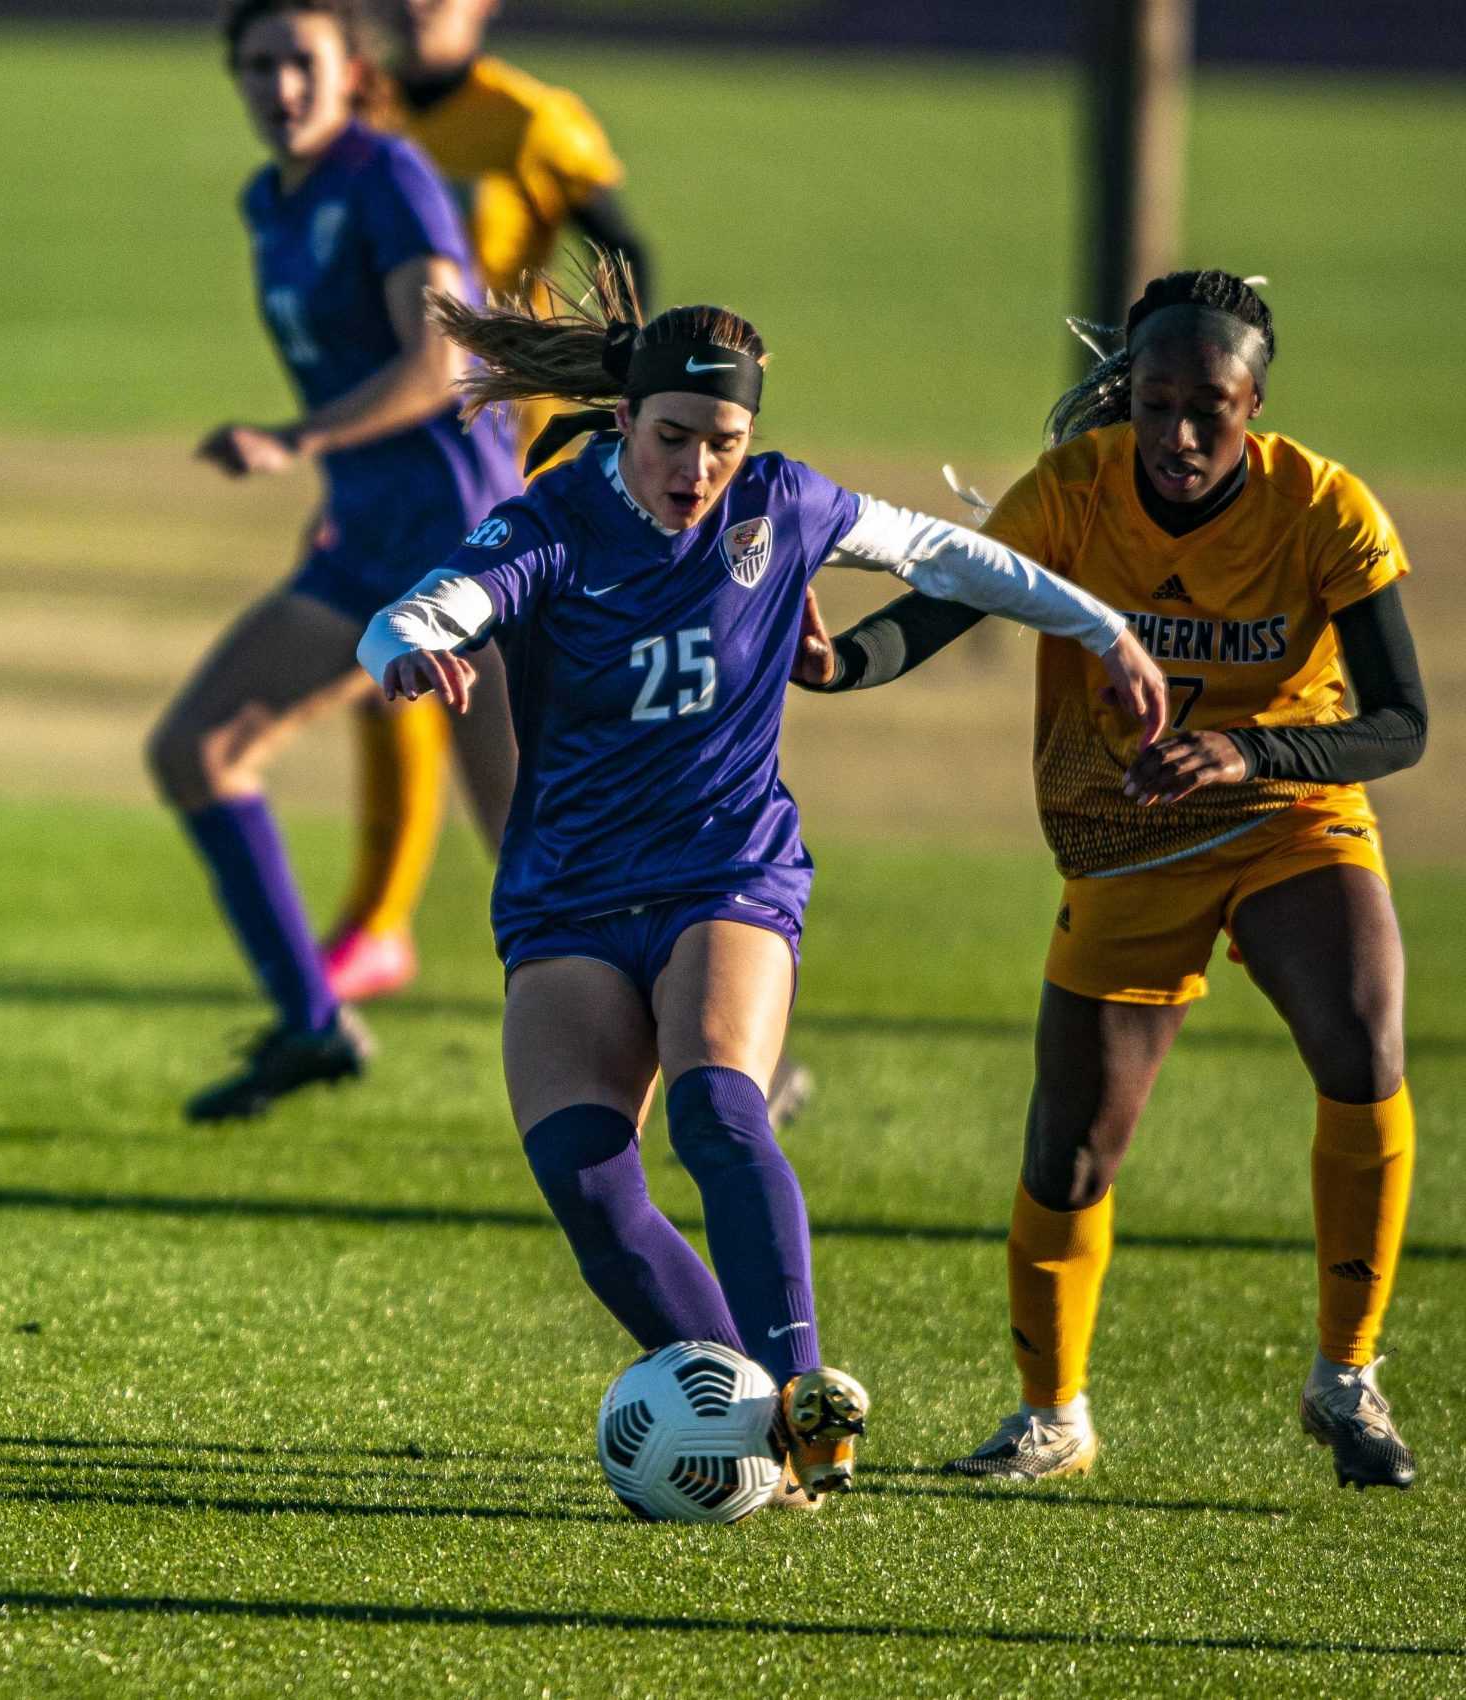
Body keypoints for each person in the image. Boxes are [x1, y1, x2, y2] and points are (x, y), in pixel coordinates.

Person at [357, 257, 1166, 1500]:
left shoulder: (780, 507)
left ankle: (805, 1400)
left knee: (718, 1109)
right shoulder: (552, 522)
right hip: (567, 896)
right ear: (624, 420)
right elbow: (434, 599)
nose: (697, 468)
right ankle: (742, 1410)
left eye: (723, 442)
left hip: (723, 869)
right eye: (675, 437)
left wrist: (1099, 626)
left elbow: (944, 553)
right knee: (586, 1181)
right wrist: (414, 644)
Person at [797, 271, 1428, 1489]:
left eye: (1212, 407)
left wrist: (1250, 748)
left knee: (1363, 1035)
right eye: (1154, 403)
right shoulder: (1073, 494)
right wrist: (844, 665)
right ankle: (1052, 1415)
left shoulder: (1323, 508)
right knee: (1072, 1150)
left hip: (1288, 812)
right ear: (1124, 396)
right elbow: (938, 610)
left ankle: (1346, 1377)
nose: (1180, 434)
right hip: (1127, 836)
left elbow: (1398, 725)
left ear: (1255, 404)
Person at [147, 0, 521, 1121]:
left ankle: (727, 1066)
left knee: (533, 850)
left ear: (348, 68)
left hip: (466, 556)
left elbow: (438, 361)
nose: (279, 88)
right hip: (366, 548)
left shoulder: (391, 175)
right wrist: (329, 479)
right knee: (198, 748)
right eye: (256, 67)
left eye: (299, 63)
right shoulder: (270, 200)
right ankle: (312, 1027)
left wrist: (297, 440)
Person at [320, 0, 652, 1007]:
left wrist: (620, 388)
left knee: (515, 703)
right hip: (398, 444)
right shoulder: (357, 112)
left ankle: (619, 939)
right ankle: (384, 922)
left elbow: (623, 256)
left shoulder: (527, 120)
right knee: (394, 658)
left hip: (509, 452)